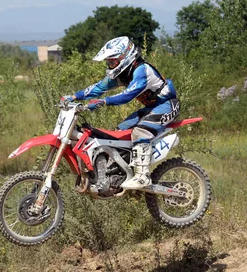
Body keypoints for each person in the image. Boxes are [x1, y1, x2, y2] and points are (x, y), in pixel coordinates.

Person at [61, 36, 180, 190]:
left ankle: (143, 177)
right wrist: (74, 96)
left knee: (140, 132)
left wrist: (104, 101)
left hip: (167, 105)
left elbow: (128, 95)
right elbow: (99, 87)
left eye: (112, 61)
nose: (110, 65)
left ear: (125, 56)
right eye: (108, 62)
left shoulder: (142, 70)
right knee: (120, 132)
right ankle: (123, 173)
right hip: (150, 108)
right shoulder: (125, 73)